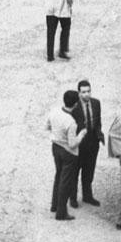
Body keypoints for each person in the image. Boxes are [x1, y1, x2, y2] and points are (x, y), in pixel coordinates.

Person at [47, 89, 87, 220]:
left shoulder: (54, 111)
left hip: (55, 147)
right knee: (65, 182)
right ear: (75, 104)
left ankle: (54, 205)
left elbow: (47, 126)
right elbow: (72, 144)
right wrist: (81, 135)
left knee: (58, 176)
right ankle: (61, 213)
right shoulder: (71, 122)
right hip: (68, 153)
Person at [73, 80, 104, 207]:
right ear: (79, 93)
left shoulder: (96, 103)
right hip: (80, 143)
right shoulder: (74, 107)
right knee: (75, 171)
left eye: (88, 91)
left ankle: (87, 196)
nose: (87, 94)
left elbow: (98, 120)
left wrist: (99, 135)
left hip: (92, 142)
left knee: (89, 170)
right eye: (84, 92)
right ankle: (73, 198)